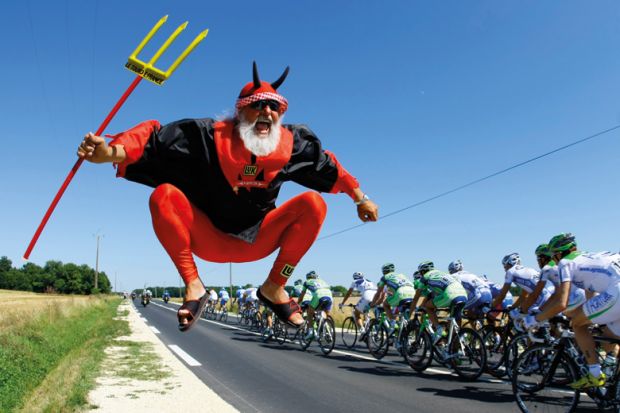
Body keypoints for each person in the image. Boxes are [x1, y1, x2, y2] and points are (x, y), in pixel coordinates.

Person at [77, 62, 379, 331]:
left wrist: (359, 197)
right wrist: (109, 153)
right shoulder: (205, 136)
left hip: (259, 238)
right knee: (164, 196)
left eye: (275, 107)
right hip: (209, 236)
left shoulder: (294, 145)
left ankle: (275, 285)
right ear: (240, 111)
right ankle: (193, 285)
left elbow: (330, 166)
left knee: (314, 204)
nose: (267, 112)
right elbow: (152, 140)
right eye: (258, 104)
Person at [523, 233, 620, 389]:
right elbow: (590, 294)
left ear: (559, 253)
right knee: (610, 335)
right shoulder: (588, 259)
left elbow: (562, 302)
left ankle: (595, 375)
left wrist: (536, 319)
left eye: (554, 256)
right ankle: (613, 376)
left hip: (616, 291)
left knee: (577, 325)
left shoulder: (566, 263)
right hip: (614, 288)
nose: (554, 261)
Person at [411, 261, 467, 342]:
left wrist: (414, 309)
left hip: (449, 295)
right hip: (463, 294)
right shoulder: (442, 273)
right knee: (452, 323)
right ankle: (454, 346)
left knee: (428, 306)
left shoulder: (425, 277)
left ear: (423, 271)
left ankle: (439, 329)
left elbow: (417, 297)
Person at [491, 252, 552, 321]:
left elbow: (502, 295)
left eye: (505, 265)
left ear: (510, 263)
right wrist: (513, 307)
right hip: (550, 294)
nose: (504, 268)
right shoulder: (528, 270)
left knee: (521, 321)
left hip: (541, 296)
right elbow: (524, 296)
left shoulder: (510, 272)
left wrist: (491, 306)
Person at [370, 263, 415, 334]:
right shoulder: (401, 275)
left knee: (385, 304)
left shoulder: (385, 277)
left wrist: (372, 304)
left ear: (384, 271)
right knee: (403, 313)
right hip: (413, 292)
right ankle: (404, 331)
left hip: (401, 293)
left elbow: (378, 293)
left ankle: (393, 324)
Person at [297, 271, 333, 340]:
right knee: (325, 314)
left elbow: (302, 295)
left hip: (318, 295)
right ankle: (327, 331)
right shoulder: (322, 281)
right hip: (329, 295)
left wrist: (298, 303)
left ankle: (310, 332)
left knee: (309, 313)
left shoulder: (307, 282)